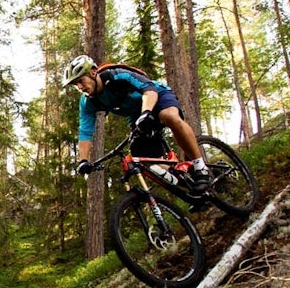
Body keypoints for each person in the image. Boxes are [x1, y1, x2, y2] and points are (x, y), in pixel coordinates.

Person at [61, 54, 210, 191]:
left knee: (168, 116)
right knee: (146, 161)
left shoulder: (116, 76)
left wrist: (146, 113)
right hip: (136, 115)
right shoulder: (87, 102)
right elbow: (85, 132)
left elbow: (149, 89)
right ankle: (190, 186)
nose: (80, 87)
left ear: (93, 72)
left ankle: (200, 166)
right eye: (75, 85)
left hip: (157, 96)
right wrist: (83, 160)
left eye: (81, 81)